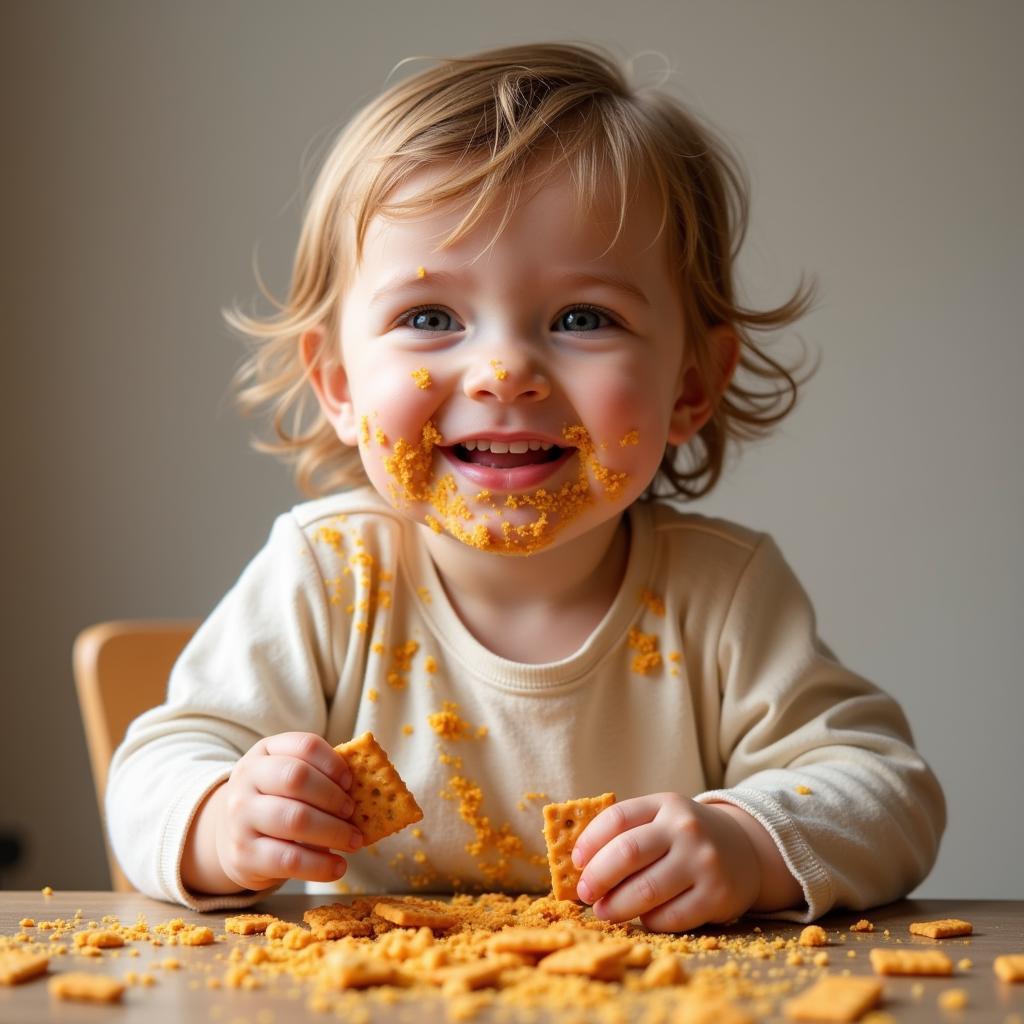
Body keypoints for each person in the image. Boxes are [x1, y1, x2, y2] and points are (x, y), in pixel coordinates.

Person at [106, 42, 944, 930]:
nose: (504, 372)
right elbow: (156, 771)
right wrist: (223, 818)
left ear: (691, 385)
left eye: (583, 318)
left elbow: (887, 789)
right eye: (429, 317)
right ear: (342, 386)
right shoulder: (328, 577)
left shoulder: (720, 596)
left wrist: (746, 843)